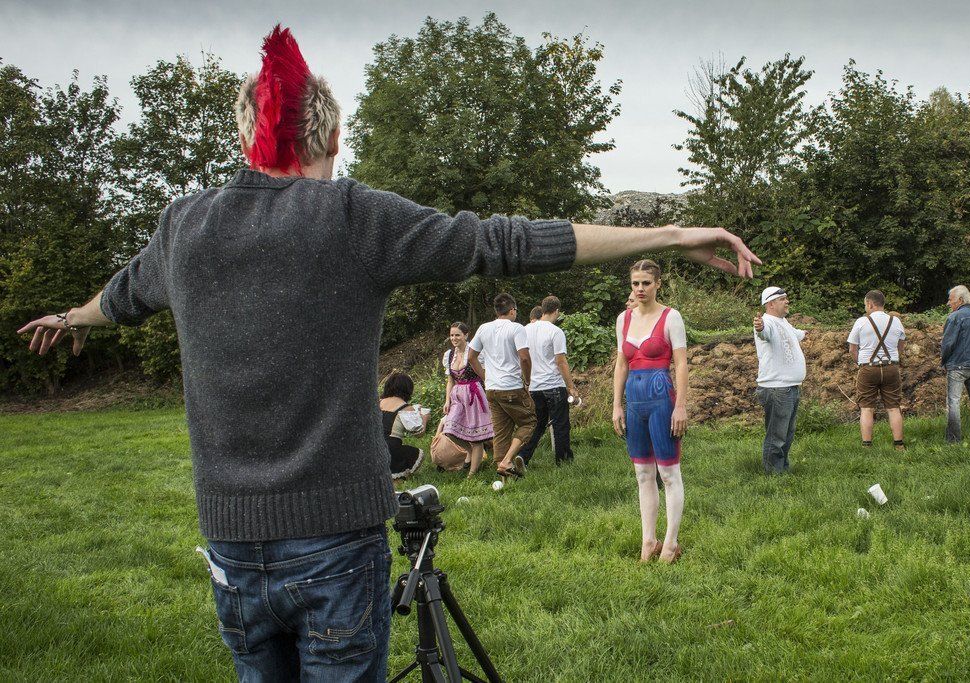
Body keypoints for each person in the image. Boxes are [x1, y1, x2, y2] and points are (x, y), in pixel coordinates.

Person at [16, 24, 761, 679]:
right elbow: (501, 242)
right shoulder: (349, 216)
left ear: (248, 137)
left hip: (231, 547)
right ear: (332, 138)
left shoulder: (184, 227)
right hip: (335, 543)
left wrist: (70, 316)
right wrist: (671, 235)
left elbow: (122, 296)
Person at [612, 260, 689, 563]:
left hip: (662, 400)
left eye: (646, 283)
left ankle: (670, 543)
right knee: (643, 473)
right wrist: (616, 405)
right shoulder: (623, 319)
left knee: (668, 473)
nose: (640, 288)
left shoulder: (671, 317)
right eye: (635, 283)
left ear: (658, 283)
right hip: (634, 402)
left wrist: (680, 406)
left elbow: (681, 364)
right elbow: (621, 363)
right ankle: (648, 541)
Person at [467, 293, 535, 477]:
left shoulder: (484, 328)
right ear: (512, 310)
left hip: (492, 389)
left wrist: (485, 377)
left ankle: (504, 473)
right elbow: (524, 358)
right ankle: (507, 461)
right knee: (529, 422)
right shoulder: (516, 328)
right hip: (511, 386)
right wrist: (527, 380)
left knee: (501, 431)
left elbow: (471, 357)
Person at [519, 295, 579, 467]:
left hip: (534, 386)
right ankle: (563, 461)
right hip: (554, 385)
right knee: (561, 424)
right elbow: (561, 361)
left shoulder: (525, 330)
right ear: (557, 311)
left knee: (537, 425)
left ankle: (523, 456)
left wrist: (526, 381)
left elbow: (522, 358)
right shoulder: (555, 331)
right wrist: (570, 386)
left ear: (542, 309)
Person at [753, 286, 807, 474]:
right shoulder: (767, 322)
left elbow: (797, 334)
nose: (787, 301)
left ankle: (782, 468)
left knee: (787, 434)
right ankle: (773, 475)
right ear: (770, 304)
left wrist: (806, 333)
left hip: (790, 387)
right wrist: (759, 327)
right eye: (783, 299)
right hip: (777, 388)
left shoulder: (783, 322)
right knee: (777, 435)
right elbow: (763, 332)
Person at [847, 290, 906, 450]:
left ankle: (867, 445)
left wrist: (861, 363)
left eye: (865, 305)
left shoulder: (861, 322)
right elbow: (901, 346)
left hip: (868, 368)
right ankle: (899, 445)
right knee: (893, 407)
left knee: (867, 408)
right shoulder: (896, 321)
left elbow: (852, 349)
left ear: (870, 304)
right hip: (891, 367)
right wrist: (892, 360)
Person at [442, 322, 493, 476]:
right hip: (457, 395)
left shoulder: (475, 352)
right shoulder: (449, 355)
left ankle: (472, 474)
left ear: (466, 335)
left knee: (476, 436)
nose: (454, 338)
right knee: (450, 430)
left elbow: (485, 374)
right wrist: (447, 400)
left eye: (457, 335)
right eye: (452, 335)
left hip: (474, 394)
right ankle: (470, 452)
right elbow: (450, 381)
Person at [942, 285, 970, 443]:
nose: (949, 303)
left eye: (951, 300)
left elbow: (948, 344)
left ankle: (954, 439)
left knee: (953, 402)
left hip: (958, 366)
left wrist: (944, 361)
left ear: (960, 300)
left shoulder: (954, 317)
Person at [380, 372, 428, 479]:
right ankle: (397, 476)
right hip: (390, 450)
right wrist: (424, 417)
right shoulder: (405, 408)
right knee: (417, 453)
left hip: (373, 447)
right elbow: (418, 433)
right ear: (408, 390)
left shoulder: (378, 402)